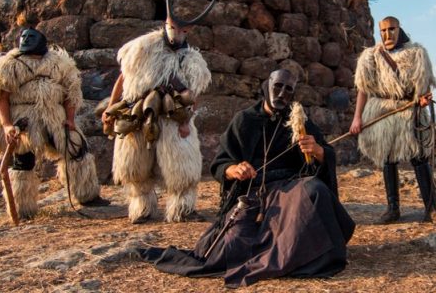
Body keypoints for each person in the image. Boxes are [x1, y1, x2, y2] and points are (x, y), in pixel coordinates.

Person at [138, 68, 355, 288]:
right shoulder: (245, 120)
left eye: (288, 89)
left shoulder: (299, 121)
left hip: (290, 189)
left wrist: (318, 152)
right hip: (253, 195)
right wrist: (233, 169)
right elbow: (220, 164)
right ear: (266, 87)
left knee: (314, 191)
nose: (282, 94)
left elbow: (325, 154)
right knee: (229, 249)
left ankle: (307, 255)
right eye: (277, 86)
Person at [102, 0, 214, 223]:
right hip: (138, 112)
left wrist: (186, 122)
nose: (177, 32)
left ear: (188, 32)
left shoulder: (192, 60)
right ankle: (142, 208)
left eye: (183, 30)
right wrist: (111, 108)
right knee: (135, 165)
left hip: (174, 116)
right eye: (174, 27)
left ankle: (183, 208)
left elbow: (193, 93)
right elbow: (123, 77)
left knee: (182, 167)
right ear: (166, 23)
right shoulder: (142, 48)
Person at [0, 27, 104, 220]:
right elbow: (0, 98)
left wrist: (70, 119)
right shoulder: (8, 65)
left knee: (76, 149)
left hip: (54, 115)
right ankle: (23, 208)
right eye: (24, 36)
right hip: (23, 117)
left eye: (31, 37)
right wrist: (7, 125)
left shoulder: (60, 63)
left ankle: (87, 195)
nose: (27, 39)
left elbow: (71, 92)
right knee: (22, 161)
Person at [349, 16, 436, 224]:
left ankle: (431, 209)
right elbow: (363, 89)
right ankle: (392, 209)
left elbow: (424, 84)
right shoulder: (371, 56)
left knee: (419, 158)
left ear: (399, 29)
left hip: (410, 111)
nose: (387, 34)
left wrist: (422, 99)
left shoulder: (417, 53)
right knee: (388, 159)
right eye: (383, 31)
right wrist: (357, 118)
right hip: (382, 113)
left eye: (391, 29)